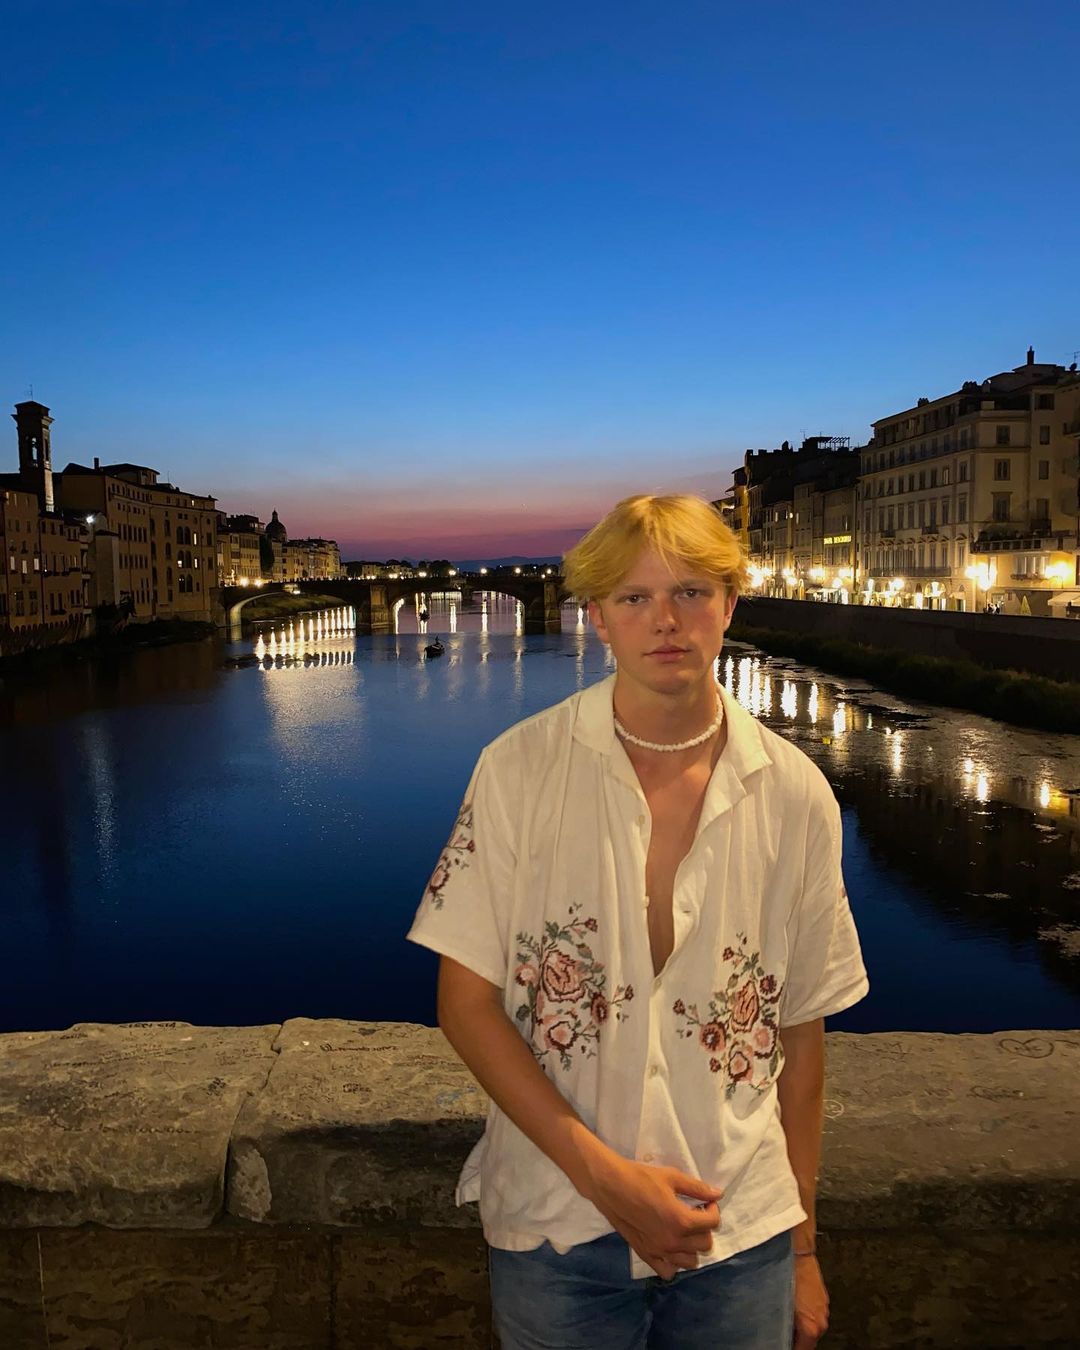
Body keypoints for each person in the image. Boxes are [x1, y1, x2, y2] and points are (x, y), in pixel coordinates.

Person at [407, 494, 869, 1350]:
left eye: (691, 592)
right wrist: (604, 1179)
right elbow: (464, 1006)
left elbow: (800, 1035)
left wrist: (803, 1245)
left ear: (730, 606)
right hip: (556, 1225)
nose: (666, 620)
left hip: (742, 1232)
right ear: (597, 617)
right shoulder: (516, 770)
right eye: (635, 597)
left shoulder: (797, 792)